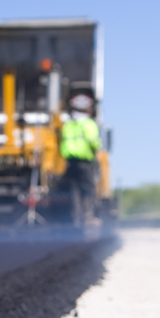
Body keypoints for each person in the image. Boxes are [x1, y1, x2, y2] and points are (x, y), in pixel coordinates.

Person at [60, 93, 102, 227]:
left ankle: (76, 218)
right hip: (85, 162)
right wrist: (98, 147)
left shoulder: (68, 124)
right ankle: (89, 217)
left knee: (75, 190)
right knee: (89, 189)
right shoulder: (88, 123)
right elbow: (94, 142)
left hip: (70, 162)